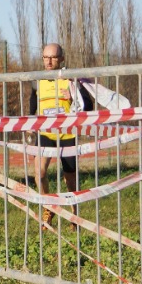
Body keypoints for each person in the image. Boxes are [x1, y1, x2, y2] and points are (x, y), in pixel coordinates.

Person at [28, 43, 94, 228]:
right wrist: (29, 124)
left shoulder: (71, 80)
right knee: (39, 173)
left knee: (70, 179)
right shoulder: (37, 80)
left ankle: (74, 214)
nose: (49, 61)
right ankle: (48, 208)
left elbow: (88, 106)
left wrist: (73, 98)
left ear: (62, 59)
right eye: (45, 57)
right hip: (45, 134)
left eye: (53, 57)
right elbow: (32, 104)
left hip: (66, 135)